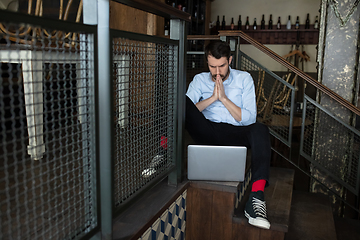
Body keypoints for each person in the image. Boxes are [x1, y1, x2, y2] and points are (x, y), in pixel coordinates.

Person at [185, 40, 271, 229]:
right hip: (207, 129)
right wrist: (212, 99)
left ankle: (256, 198)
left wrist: (223, 99)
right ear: (207, 63)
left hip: (235, 133)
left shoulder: (244, 79)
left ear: (230, 60)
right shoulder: (199, 80)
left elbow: (249, 118)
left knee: (260, 129)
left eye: (221, 66)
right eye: (212, 66)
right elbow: (186, 112)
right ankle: (162, 155)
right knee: (180, 103)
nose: (217, 72)